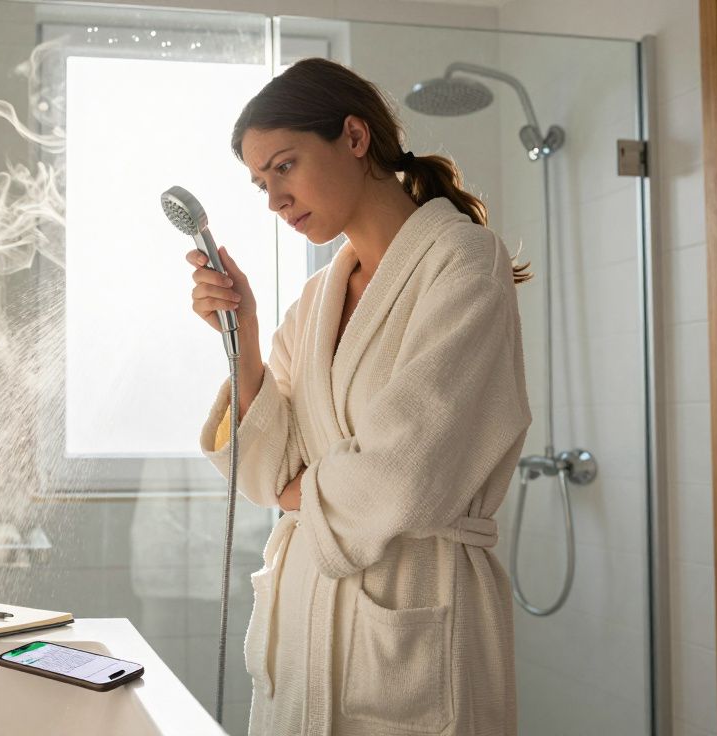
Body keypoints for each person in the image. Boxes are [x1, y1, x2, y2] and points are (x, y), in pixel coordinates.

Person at [187, 58, 533, 736]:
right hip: (305, 624)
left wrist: (300, 494)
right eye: (260, 183)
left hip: (416, 614)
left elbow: (407, 474)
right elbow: (262, 472)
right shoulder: (316, 299)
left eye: (284, 166)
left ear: (353, 137)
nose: (274, 200)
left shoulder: (462, 263)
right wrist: (246, 337)